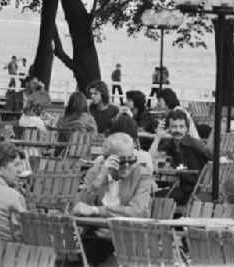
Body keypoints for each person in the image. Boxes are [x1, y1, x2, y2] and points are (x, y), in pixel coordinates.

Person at [73, 133, 154, 265]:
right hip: (95, 235)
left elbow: (137, 211)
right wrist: (99, 179)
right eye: (121, 161)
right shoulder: (96, 172)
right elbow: (77, 207)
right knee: (72, 258)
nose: (127, 165)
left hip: (128, 235)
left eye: (131, 160)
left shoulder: (142, 174)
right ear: (107, 159)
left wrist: (96, 210)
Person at [150, 109, 211, 205]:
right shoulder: (170, 144)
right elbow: (151, 159)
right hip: (183, 189)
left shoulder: (195, 146)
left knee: (154, 198)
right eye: (174, 127)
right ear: (168, 129)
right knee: (152, 195)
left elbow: (214, 159)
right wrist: (158, 137)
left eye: (181, 127)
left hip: (196, 193)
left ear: (187, 129)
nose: (178, 130)